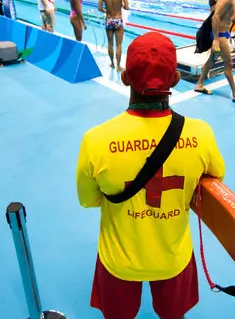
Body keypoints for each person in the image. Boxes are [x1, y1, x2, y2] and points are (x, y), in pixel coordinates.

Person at [76, 31, 226, 319]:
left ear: (124, 77)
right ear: (175, 79)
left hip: (118, 260)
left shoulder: (95, 140)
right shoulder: (201, 134)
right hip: (173, 257)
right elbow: (214, 181)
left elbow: (88, 200)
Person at [98, 0, 129, 71]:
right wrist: (122, 5)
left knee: (110, 44)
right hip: (118, 19)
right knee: (119, 44)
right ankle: (118, 66)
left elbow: (99, 8)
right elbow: (127, 7)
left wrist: (106, 11)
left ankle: (112, 63)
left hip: (109, 19)